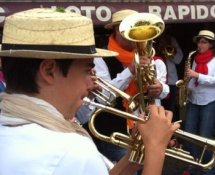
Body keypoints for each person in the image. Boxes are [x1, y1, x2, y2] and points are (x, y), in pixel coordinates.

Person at [0, 8, 179, 175]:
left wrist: (134, 156)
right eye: (87, 71)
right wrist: (155, 148)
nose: (92, 83)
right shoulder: (72, 151)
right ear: (49, 71)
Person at [83, 9, 170, 163]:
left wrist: (160, 89)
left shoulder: (151, 59)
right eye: (132, 30)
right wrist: (130, 70)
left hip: (147, 127)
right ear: (117, 29)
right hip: (116, 130)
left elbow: (163, 92)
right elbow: (104, 98)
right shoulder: (100, 58)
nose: (138, 37)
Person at [183, 30, 215, 175]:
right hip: (194, 99)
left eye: (204, 42)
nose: (200, 45)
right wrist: (186, 87)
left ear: (211, 44)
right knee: (189, 134)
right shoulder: (195, 58)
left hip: (211, 100)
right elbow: (192, 80)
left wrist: (197, 75)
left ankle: (209, 167)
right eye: (199, 41)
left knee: (204, 136)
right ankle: (196, 162)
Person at [156, 26, 184, 121]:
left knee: (170, 111)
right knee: (157, 110)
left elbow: (179, 60)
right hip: (156, 82)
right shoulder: (151, 39)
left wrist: (168, 50)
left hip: (171, 82)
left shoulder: (171, 40)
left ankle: (172, 134)